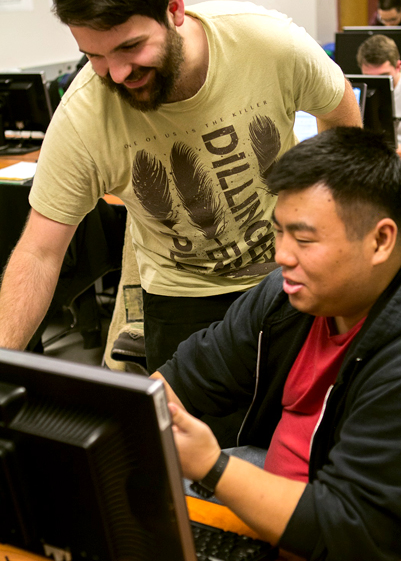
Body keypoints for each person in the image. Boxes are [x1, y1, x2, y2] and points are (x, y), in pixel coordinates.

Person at [0, 0, 362, 373]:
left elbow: (340, 112)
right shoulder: (83, 117)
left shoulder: (265, 42)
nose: (116, 74)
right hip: (183, 299)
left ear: (174, 10)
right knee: (192, 433)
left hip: (289, 273)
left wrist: (330, 227)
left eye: (130, 47)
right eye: (94, 55)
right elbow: (40, 253)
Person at [153, 127, 401, 561]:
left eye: (303, 239)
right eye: (279, 232)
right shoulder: (285, 297)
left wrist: (212, 467)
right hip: (272, 483)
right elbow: (186, 377)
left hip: (335, 531)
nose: (282, 254)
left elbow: (351, 528)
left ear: (380, 241)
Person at [356, 34, 401, 150]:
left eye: (384, 76)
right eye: (368, 77)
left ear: (398, 67)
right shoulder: (356, 92)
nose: (377, 83)